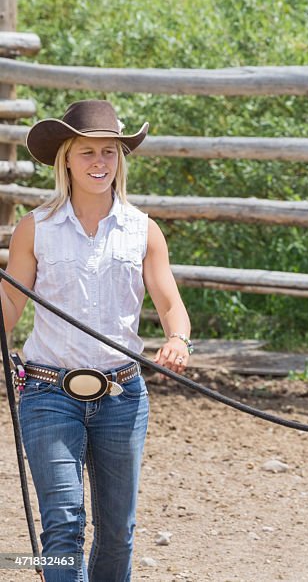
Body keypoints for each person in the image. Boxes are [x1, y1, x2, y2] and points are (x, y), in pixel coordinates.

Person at [0, 99, 192, 581]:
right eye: (88, 152)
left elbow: (170, 304)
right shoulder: (34, 230)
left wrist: (179, 340)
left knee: (118, 531)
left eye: (109, 152)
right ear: (66, 157)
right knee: (63, 527)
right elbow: (8, 309)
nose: (100, 162)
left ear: (120, 160)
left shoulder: (143, 231)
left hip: (122, 396)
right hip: (46, 393)